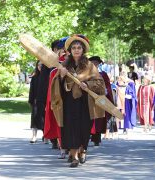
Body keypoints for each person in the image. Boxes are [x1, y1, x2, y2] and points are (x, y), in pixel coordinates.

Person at [50, 34, 106, 168]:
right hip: (69, 102)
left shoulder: (89, 66)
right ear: (69, 50)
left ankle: (82, 150)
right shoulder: (64, 65)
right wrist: (61, 76)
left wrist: (88, 85)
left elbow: (100, 83)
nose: (76, 50)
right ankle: (74, 155)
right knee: (70, 128)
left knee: (83, 128)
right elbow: (56, 83)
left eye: (79, 48)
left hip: (85, 102)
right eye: (73, 48)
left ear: (83, 50)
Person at [44, 37, 69, 158]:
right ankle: (63, 148)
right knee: (60, 123)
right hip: (59, 99)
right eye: (62, 49)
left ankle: (72, 147)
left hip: (73, 98)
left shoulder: (77, 63)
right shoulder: (54, 68)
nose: (64, 51)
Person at [89, 56, 114, 146]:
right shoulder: (87, 73)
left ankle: (97, 138)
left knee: (99, 118)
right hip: (89, 99)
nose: (95, 64)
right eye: (93, 63)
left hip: (100, 99)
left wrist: (106, 94)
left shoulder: (103, 74)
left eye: (96, 63)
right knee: (89, 118)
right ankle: (88, 135)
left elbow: (108, 86)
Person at [28, 60, 44, 143]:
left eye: (42, 65)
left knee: (44, 119)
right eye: (39, 65)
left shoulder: (47, 77)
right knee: (34, 119)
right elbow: (32, 90)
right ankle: (34, 136)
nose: (40, 67)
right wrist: (31, 100)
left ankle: (46, 137)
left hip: (45, 101)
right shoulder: (34, 78)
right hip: (36, 101)